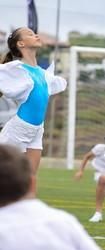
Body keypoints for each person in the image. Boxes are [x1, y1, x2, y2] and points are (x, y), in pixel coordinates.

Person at [0, 28, 67, 173]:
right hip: (17, 131)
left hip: (37, 130)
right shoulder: (15, 69)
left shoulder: (43, 73)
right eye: (30, 34)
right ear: (21, 44)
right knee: (8, 177)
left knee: (30, 177)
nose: (35, 35)